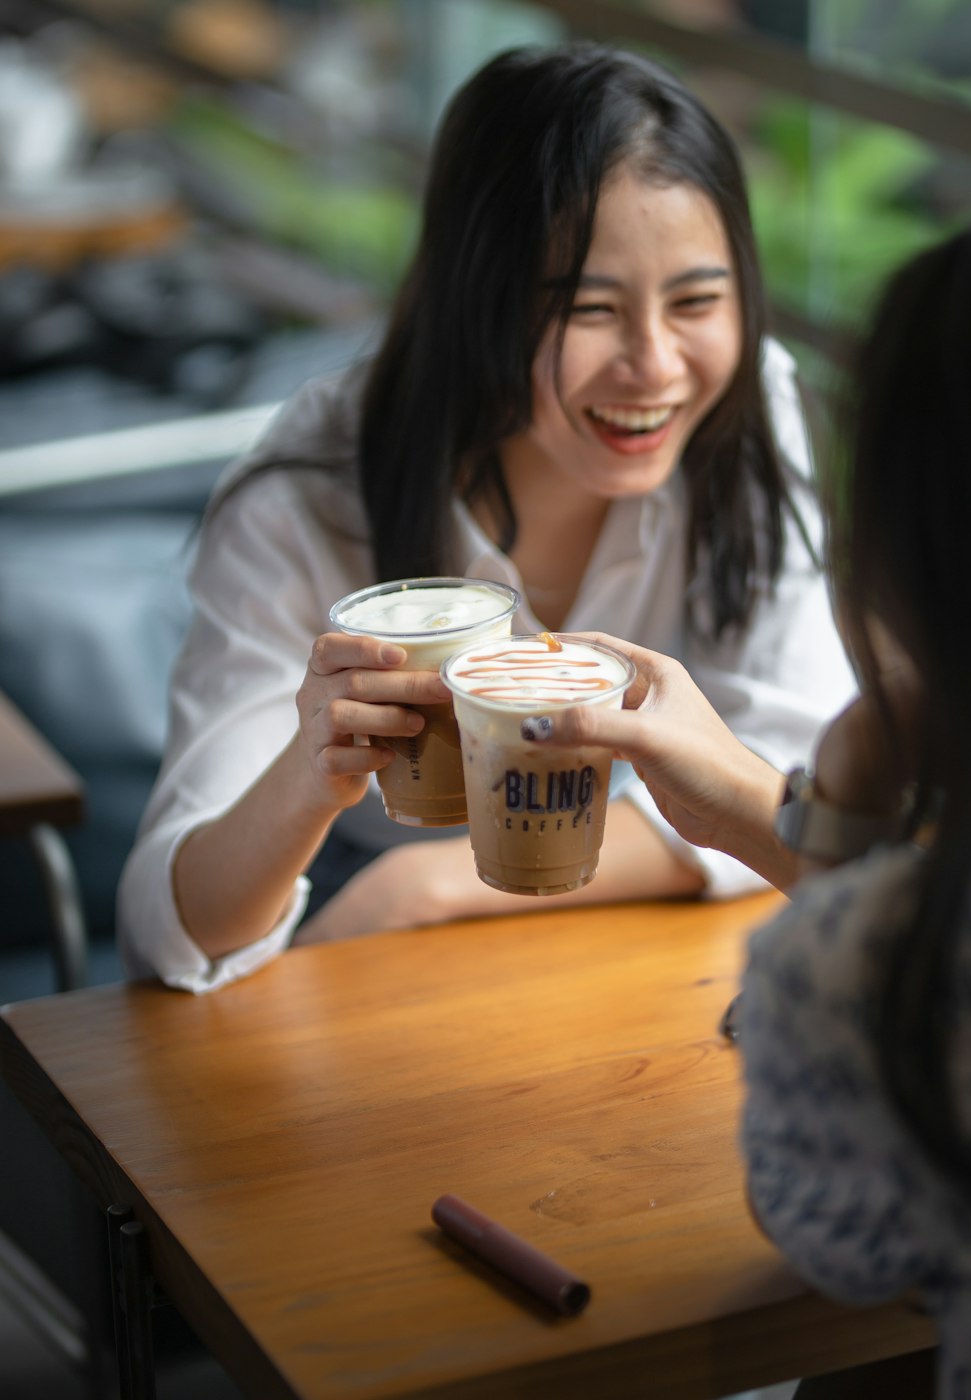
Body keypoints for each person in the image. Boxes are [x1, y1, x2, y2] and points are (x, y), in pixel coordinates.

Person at [116, 42, 854, 993]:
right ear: (479, 302)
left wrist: (430, 885)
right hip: (335, 914)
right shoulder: (311, 488)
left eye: (698, 301)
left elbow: (785, 777)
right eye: (591, 310)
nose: (658, 365)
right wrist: (313, 778)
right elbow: (172, 935)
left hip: (612, 920)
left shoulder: (750, 409)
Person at [526, 218, 971, 1397]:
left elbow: (830, 1233)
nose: (648, 359)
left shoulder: (867, 959)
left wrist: (836, 838)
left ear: (891, 540)